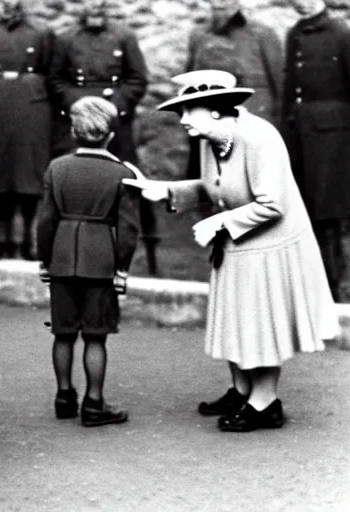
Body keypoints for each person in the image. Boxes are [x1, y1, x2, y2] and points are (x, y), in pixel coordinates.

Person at [123, 70, 339, 432]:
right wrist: (167, 191)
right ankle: (242, 390)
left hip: (271, 244)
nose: (183, 119)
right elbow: (217, 187)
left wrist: (218, 223)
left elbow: (272, 204)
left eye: (191, 110)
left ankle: (265, 402)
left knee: (260, 323)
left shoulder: (260, 139)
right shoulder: (210, 139)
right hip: (239, 242)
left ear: (219, 110)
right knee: (237, 318)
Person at [36, 96, 140, 427]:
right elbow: (127, 230)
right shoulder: (120, 173)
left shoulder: (57, 168)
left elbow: (45, 221)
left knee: (63, 333)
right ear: (110, 134)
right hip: (101, 263)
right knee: (95, 336)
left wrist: (44, 260)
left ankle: (64, 396)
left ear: (73, 131)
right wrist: (121, 267)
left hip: (62, 259)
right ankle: (94, 403)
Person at [48, 0, 161, 276]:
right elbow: (55, 81)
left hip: (117, 122)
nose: (95, 8)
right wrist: (80, 105)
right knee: (73, 176)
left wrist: (115, 108)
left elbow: (137, 79)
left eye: (101, 4)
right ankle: (68, 246)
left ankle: (142, 248)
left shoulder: (124, 36)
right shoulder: (66, 39)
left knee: (131, 179)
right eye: (89, 4)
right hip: (78, 118)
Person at [0, 0, 55, 261]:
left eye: (15, 3)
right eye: (4, 3)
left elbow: (51, 72)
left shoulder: (41, 32)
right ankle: (1, 236)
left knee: (29, 173)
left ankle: (29, 237)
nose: (9, 7)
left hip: (31, 108)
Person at [281, 0, 350, 302]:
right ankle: (308, 284)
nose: (301, 3)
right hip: (299, 135)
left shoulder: (341, 33)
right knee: (302, 210)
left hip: (332, 139)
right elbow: (289, 88)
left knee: (328, 214)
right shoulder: (294, 32)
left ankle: (333, 287)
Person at [185, 0, 283, 178]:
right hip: (209, 124)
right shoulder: (199, 36)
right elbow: (189, 84)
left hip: (250, 124)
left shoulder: (262, 35)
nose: (219, 4)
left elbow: (280, 86)